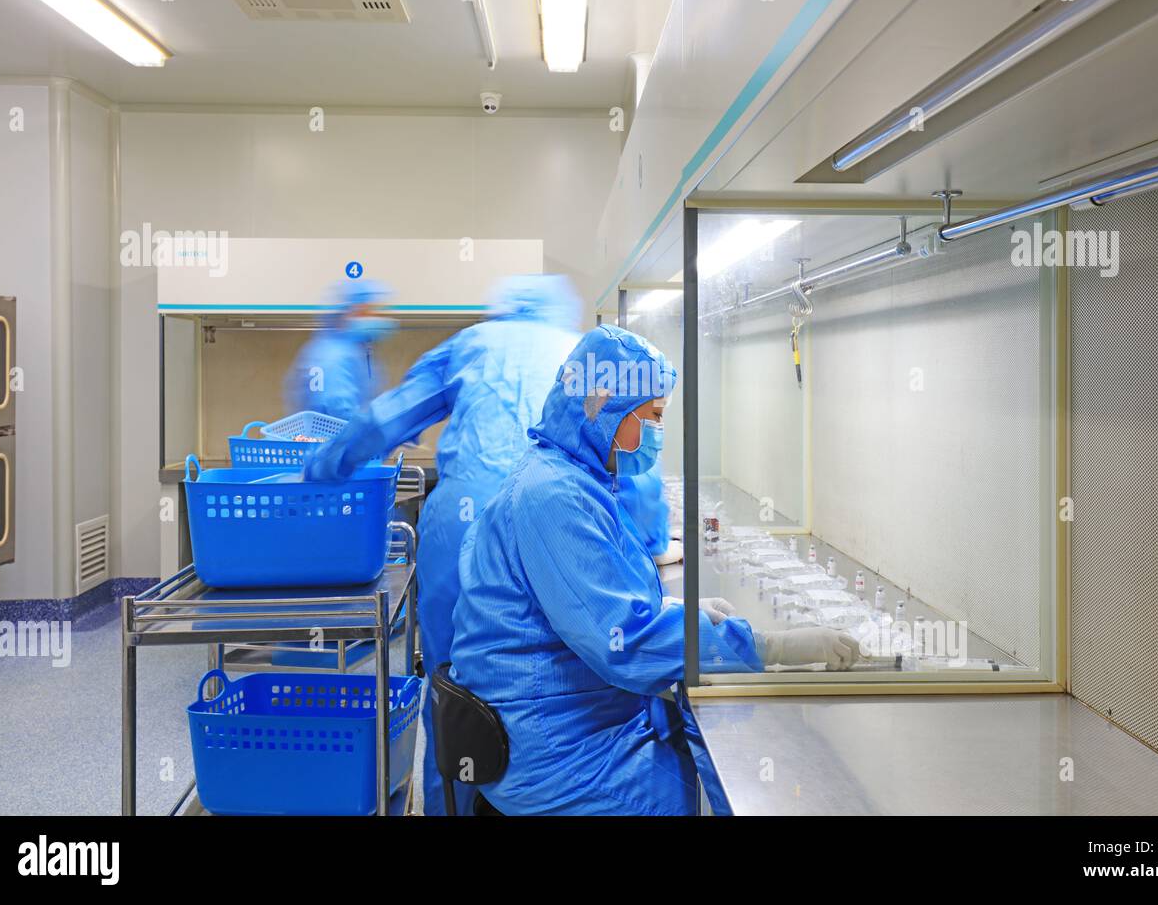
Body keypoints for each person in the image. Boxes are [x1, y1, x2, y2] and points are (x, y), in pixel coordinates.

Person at [448, 325, 860, 816]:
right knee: (709, 795)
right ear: (605, 408)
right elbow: (626, 641)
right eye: (655, 417)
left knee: (698, 753)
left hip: (571, 721)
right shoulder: (553, 495)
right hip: (554, 754)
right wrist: (769, 647)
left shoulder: (573, 476)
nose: (658, 434)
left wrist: (678, 610)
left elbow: (602, 596)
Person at [302, 274, 582, 815]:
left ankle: (453, 802)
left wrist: (324, 464)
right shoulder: (578, 351)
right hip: (555, 522)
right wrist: (644, 534)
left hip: (463, 525)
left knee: (452, 683)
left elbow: (387, 416)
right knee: (556, 673)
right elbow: (629, 449)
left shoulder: (473, 342)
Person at [284, 279, 398, 420]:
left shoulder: (354, 351)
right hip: (331, 441)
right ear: (349, 313)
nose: (379, 318)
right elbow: (339, 415)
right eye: (370, 311)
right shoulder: (334, 355)